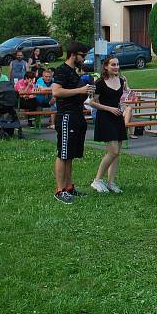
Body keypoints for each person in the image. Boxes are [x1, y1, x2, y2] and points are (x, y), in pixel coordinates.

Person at [51, 42, 95, 204]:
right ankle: (59, 190)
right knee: (63, 154)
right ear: (73, 55)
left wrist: (86, 92)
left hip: (77, 116)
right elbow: (56, 91)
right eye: (82, 55)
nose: (84, 59)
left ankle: (69, 187)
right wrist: (80, 90)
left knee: (70, 155)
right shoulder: (62, 70)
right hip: (66, 117)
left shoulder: (74, 73)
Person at [89, 56, 129, 194]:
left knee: (117, 153)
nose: (116, 67)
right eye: (113, 64)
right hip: (105, 117)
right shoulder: (100, 83)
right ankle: (97, 180)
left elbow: (123, 98)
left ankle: (111, 182)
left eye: (117, 64)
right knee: (113, 151)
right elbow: (92, 102)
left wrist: (122, 107)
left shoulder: (122, 80)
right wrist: (109, 108)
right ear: (106, 66)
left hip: (117, 117)